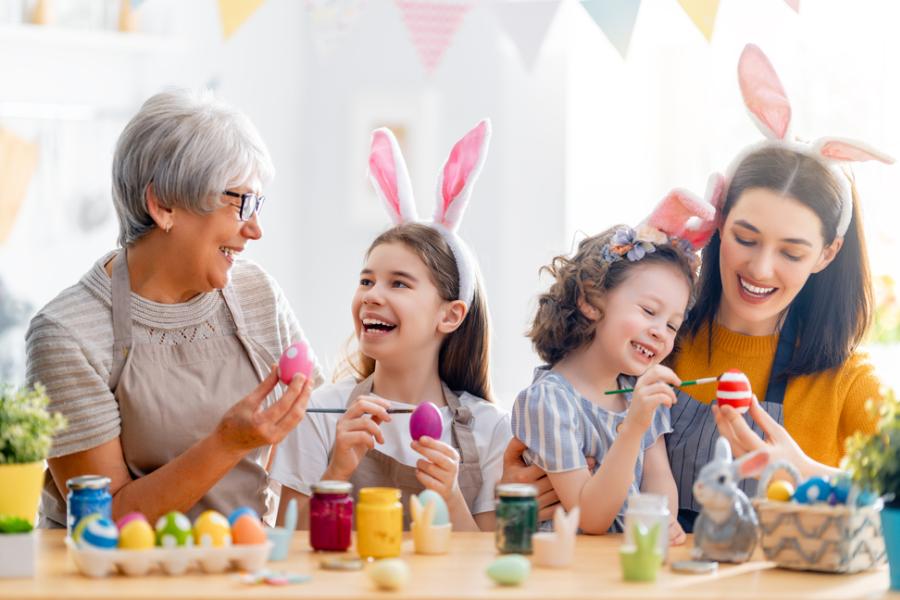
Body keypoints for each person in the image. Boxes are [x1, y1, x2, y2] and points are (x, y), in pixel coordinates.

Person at [25, 90, 322, 527]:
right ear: (163, 205)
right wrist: (227, 443)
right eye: (240, 202)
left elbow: (308, 439)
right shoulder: (68, 333)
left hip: (240, 571)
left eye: (258, 203)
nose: (256, 229)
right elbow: (102, 520)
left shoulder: (258, 294)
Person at [666, 44, 894, 529]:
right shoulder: (657, 344)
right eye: (746, 238)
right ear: (720, 222)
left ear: (827, 254)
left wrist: (807, 473)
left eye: (792, 252)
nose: (762, 269)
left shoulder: (848, 381)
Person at [272, 121, 509, 531]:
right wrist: (337, 471)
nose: (372, 295)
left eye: (398, 283)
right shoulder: (320, 414)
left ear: (450, 315)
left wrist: (451, 496)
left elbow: (486, 572)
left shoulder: (489, 428)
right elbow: (288, 552)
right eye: (366, 280)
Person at [511, 190, 718, 541]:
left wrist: (664, 520)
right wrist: (633, 427)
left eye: (672, 325)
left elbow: (658, 482)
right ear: (590, 299)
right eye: (649, 311)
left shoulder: (641, 392)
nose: (660, 332)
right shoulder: (548, 401)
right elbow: (590, 518)